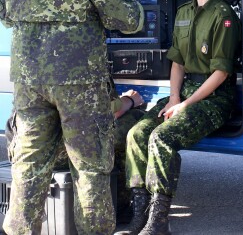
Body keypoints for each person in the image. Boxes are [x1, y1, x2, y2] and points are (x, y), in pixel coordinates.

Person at [0, 0, 144, 233]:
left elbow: (4, 13)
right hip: (79, 79)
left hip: (29, 77)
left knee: (27, 167)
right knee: (89, 167)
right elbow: (128, 19)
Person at [115, 0, 241, 235]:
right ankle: (139, 215)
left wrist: (185, 104)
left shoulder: (224, 16)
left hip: (212, 98)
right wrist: (173, 98)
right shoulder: (184, 11)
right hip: (183, 93)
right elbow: (178, 62)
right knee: (138, 134)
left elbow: (221, 73)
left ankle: (158, 221)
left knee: (161, 137)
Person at [5, 78, 146, 224]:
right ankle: (120, 206)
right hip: (68, 153)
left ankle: (20, 224)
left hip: (25, 152)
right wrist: (130, 100)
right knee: (131, 121)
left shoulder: (29, 63)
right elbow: (104, 114)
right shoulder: (84, 65)